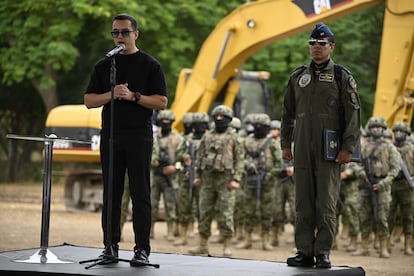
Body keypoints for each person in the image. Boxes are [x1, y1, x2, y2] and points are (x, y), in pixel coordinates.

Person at [84, 13, 167, 266]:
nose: (119, 37)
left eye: (124, 32)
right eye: (115, 33)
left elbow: (161, 102)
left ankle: (142, 249)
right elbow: (88, 101)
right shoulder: (104, 65)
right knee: (111, 193)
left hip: (139, 136)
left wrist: (133, 97)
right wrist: (111, 94)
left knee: (140, 193)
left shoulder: (150, 65)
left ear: (135, 34)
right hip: (111, 136)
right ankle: (110, 246)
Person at [281, 23, 361, 268]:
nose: (316, 47)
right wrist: (286, 144)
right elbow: (287, 113)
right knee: (303, 202)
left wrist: (348, 147)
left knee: (325, 202)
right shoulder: (297, 77)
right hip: (303, 146)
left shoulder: (341, 76)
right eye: (312, 43)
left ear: (331, 47)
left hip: (330, 148)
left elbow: (353, 114)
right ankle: (304, 251)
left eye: (321, 43)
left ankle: (323, 251)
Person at [189, 105, 244, 257]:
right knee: (204, 211)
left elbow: (240, 160)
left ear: (229, 120)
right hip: (207, 179)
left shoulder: (234, 138)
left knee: (226, 213)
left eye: (223, 117)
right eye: (217, 117)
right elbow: (199, 158)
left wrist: (236, 179)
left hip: (225, 180)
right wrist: (197, 176)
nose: (219, 120)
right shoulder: (207, 137)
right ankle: (202, 245)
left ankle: (227, 246)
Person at [352, 117, 399, 258]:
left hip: (382, 186)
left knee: (382, 218)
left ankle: (383, 247)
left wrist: (384, 183)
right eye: (373, 127)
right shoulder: (363, 145)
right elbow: (355, 163)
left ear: (383, 129)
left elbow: (395, 169)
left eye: (379, 127)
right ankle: (364, 247)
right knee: (364, 216)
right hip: (365, 185)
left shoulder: (389, 147)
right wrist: (361, 174)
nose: (376, 130)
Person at [236, 113, 283, 251]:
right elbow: (239, 158)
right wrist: (247, 165)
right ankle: (247, 240)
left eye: (261, 126)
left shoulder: (272, 143)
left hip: (267, 183)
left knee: (266, 212)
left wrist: (269, 174)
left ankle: (265, 240)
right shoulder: (246, 141)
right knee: (248, 210)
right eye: (256, 126)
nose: (258, 128)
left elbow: (279, 164)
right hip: (249, 181)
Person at [388, 122, 414, 255]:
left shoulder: (411, 148)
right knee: (389, 215)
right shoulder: (389, 148)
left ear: (407, 133)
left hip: (406, 185)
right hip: (392, 184)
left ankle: (408, 245)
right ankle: (386, 243)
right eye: (396, 131)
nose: (398, 134)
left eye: (401, 132)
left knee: (408, 216)